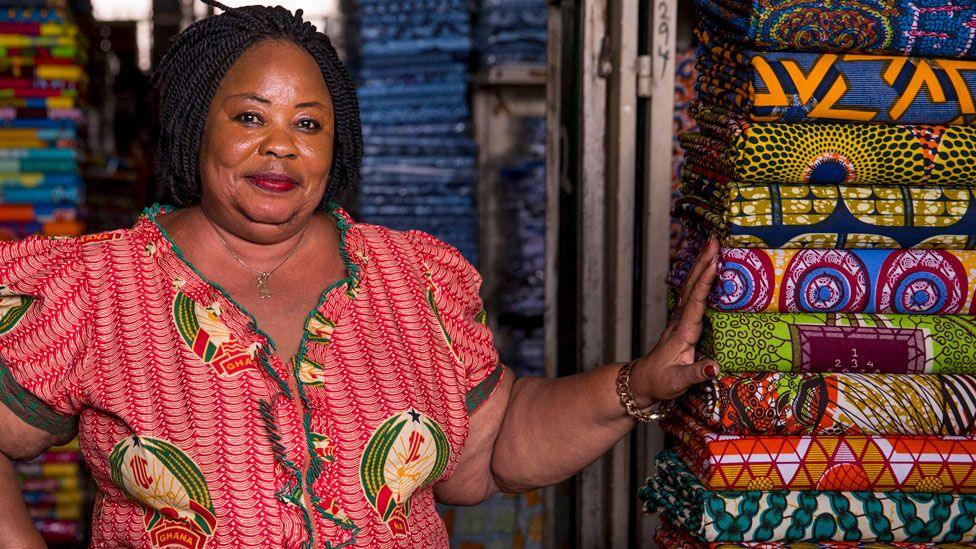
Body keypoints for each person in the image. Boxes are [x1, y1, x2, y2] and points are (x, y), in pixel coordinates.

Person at [0, 2, 720, 547]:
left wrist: (636, 384)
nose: (280, 146)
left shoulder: (411, 277)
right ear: (197, 125)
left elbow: (494, 449)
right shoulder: (97, 286)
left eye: (308, 125)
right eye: (250, 117)